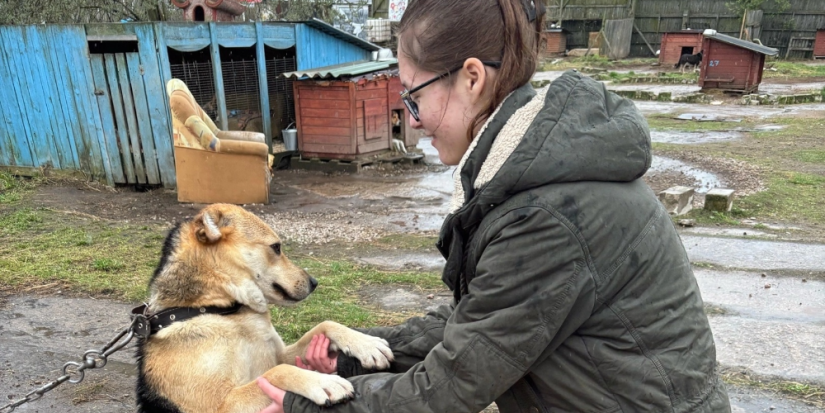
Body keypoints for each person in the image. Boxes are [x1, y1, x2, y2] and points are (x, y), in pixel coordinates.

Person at [257, 0, 732, 411]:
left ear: (471, 78)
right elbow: (480, 320)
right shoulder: (535, 177)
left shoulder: (547, 215)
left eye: (413, 96)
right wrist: (356, 354)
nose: (412, 121)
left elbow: (451, 387)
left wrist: (308, 405)